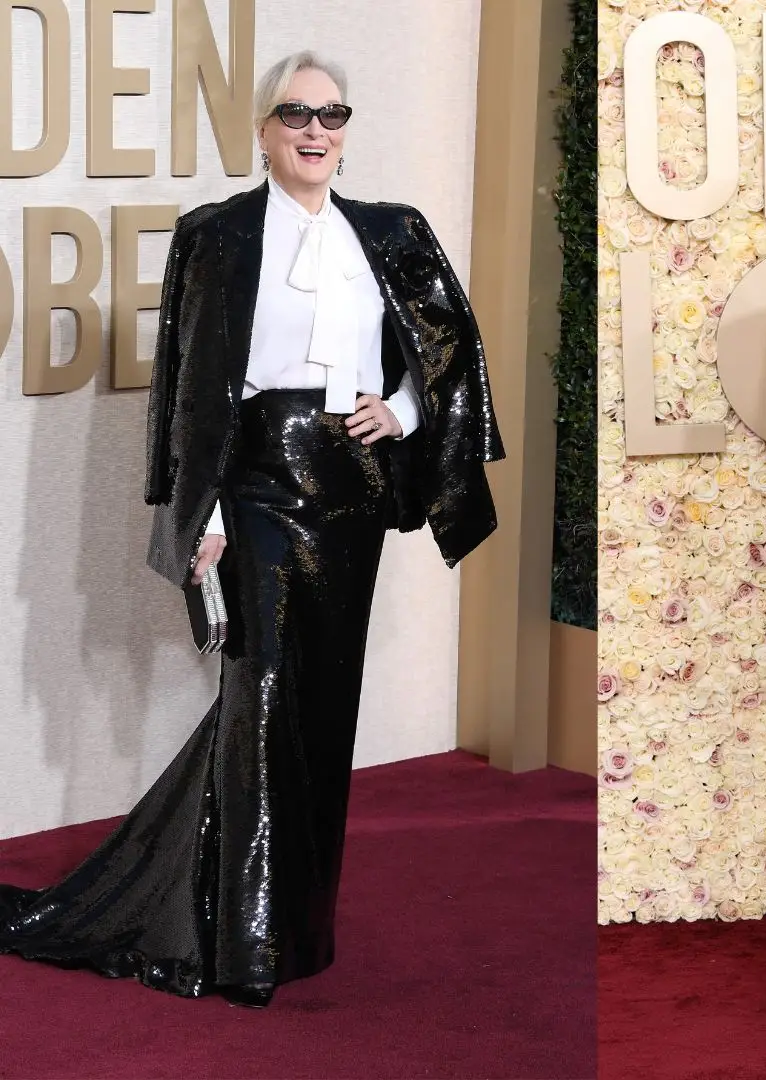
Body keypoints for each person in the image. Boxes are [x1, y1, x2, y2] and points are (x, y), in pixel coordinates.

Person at [0, 51, 502, 1009]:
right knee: (261, 684)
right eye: (295, 115)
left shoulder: (393, 234)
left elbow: (447, 354)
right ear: (264, 132)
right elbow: (198, 384)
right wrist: (212, 512)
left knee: (323, 703)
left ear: (345, 131)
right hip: (259, 485)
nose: (316, 131)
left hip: (349, 489)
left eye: (332, 114)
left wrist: (398, 405)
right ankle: (242, 938)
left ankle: (297, 926)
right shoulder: (217, 234)